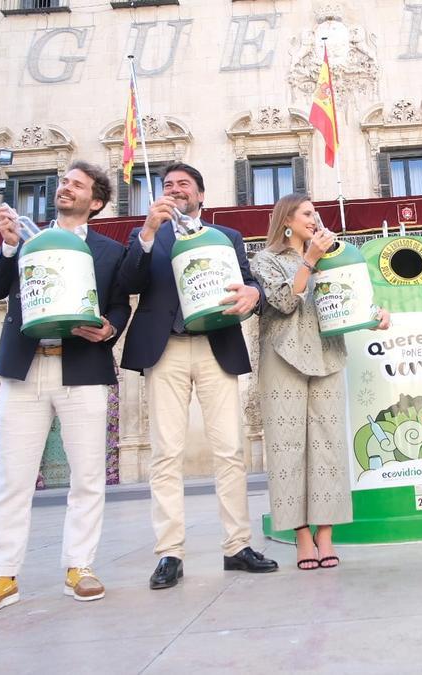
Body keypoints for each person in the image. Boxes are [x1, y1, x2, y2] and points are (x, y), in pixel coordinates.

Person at [0, 161, 130, 618]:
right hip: (24, 369)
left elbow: (117, 304)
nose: (65, 188)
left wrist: (111, 327)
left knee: (89, 477)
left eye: (76, 185)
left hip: (83, 369)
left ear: (95, 201)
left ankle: (80, 567)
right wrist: (9, 246)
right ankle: (0, 575)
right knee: (12, 480)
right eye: (63, 182)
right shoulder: (28, 239)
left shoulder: (110, 252)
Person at [119, 162, 278, 588]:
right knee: (165, 454)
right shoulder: (147, 235)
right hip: (165, 349)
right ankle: (169, 553)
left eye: (183, 184)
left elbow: (248, 284)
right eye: (167, 185)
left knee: (229, 450)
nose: (174, 190)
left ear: (201, 195)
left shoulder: (226, 237)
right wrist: (148, 233)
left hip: (215, 347)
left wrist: (255, 294)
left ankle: (237, 546)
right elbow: (127, 283)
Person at [249, 194, 390, 570]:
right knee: (287, 447)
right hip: (283, 355)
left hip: (327, 353)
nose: (316, 219)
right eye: (308, 213)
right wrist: (309, 260)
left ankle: (326, 534)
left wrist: (375, 315)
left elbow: (351, 301)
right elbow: (282, 302)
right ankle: (301, 536)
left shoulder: (334, 255)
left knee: (328, 445)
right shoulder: (265, 260)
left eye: (316, 213)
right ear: (287, 221)